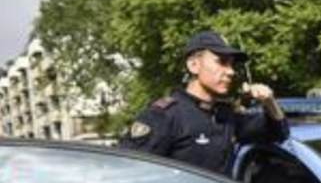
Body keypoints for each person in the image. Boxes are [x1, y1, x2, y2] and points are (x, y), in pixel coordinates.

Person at [119, 30, 289, 174]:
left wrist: (269, 101)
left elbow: (279, 133)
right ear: (194, 65)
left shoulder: (226, 115)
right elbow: (127, 170)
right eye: (221, 62)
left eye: (231, 65)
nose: (230, 71)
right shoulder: (163, 116)